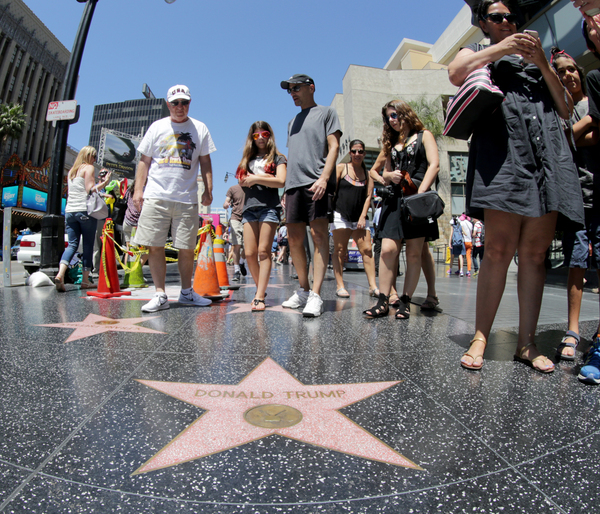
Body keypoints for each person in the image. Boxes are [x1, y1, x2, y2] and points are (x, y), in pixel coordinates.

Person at [449, 0, 584, 372]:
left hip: (547, 156)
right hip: (503, 153)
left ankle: (527, 342)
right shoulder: (479, 50)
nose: (507, 22)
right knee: (496, 250)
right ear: (484, 23)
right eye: (497, 17)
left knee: (535, 254)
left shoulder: (541, 59)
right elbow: (455, 72)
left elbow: (564, 107)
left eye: (511, 17)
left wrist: (541, 60)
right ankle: (480, 337)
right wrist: (504, 48)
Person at [132, 84, 216, 313]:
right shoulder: (157, 127)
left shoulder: (200, 128)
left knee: (187, 248)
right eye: (176, 103)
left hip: (187, 197)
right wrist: (138, 190)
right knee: (154, 245)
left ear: (190, 103)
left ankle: (187, 292)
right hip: (156, 195)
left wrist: (209, 189)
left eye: (185, 102)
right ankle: (160, 294)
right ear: (168, 104)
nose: (180, 107)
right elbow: (144, 161)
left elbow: (206, 161)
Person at [363, 99, 440, 319]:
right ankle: (383, 301)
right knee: (387, 249)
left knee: (415, 253)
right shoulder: (391, 143)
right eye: (388, 117)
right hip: (395, 199)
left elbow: (434, 165)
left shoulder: (424, 135)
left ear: (405, 113)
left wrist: (420, 195)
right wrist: (387, 176)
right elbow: (381, 173)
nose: (391, 120)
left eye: (394, 115)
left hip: (416, 198)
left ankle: (405, 301)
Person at [279, 74, 342, 317]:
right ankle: (304, 290)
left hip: (317, 183)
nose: (292, 92)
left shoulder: (326, 113)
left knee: (318, 237)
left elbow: (334, 146)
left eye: (296, 88)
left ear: (311, 88)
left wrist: (325, 178)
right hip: (294, 186)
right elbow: (294, 154)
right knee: (294, 241)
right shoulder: (291, 122)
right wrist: (285, 189)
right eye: (289, 90)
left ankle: (316, 295)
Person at [236, 121, 287, 311]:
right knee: (249, 253)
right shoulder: (246, 159)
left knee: (264, 251)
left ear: (270, 135)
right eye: (256, 135)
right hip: (249, 207)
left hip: (269, 207)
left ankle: (259, 296)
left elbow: (281, 181)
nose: (261, 138)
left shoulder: (278, 158)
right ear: (252, 138)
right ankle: (261, 289)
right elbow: (242, 182)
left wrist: (256, 178)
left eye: (264, 134)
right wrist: (267, 179)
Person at [54, 146, 111, 292]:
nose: (94, 159)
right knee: (87, 246)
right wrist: (105, 182)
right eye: (93, 156)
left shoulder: (72, 171)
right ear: (88, 156)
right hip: (84, 211)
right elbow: (90, 189)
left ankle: (60, 274)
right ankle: (85, 280)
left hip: (69, 212)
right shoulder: (89, 168)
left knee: (72, 245)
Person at [330, 139, 378, 298]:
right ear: (350, 153)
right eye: (354, 151)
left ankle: (373, 286)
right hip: (340, 215)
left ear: (364, 153)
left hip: (359, 218)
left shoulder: (368, 173)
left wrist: (363, 216)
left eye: (360, 151)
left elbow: (368, 196)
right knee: (340, 250)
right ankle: (340, 285)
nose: (357, 154)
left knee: (367, 250)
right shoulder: (341, 168)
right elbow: (332, 191)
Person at [223, 184, 247, 281]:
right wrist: (225, 204)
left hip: (248, 218)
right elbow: (226, 201)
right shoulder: (232, 188)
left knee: (248, 247)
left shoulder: (251, 188)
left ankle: (241, 262)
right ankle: (236, 270)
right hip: (235, 218)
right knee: (237, 245)